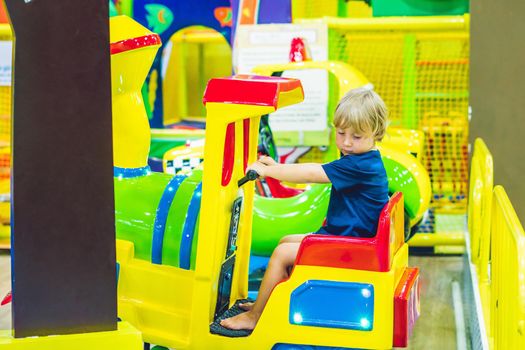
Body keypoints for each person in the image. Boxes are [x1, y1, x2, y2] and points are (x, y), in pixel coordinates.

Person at [220, 86, 389, 331]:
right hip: (351, 237)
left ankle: (255, 318)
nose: (347, 142)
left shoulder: (361, 165)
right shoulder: (365, 158)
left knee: (282, 255)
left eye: (357, 136)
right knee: (285, 241)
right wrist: (274, 166)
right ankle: (270, 302)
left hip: (353, 245)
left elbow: (312, 172)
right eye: (341, 133)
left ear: (376, 132)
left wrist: (272, 170)